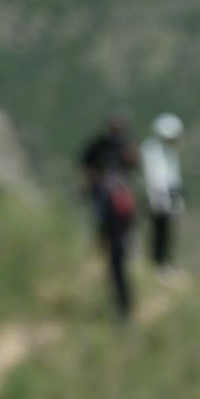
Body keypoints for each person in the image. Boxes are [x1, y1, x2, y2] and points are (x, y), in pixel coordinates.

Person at [79, 113, 139, 320]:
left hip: (115, 213)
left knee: (116, 261)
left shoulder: (117, 148)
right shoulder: (102, 146)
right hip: (114, 211)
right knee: (117, 260)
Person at [142, 114, 184, 270]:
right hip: (159, 199)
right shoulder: (152, 151)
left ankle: (164, 261)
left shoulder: (168, 152)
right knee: (159, 231)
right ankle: (158, 262)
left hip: (168, 198)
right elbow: (156, 179)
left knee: (167, 232)